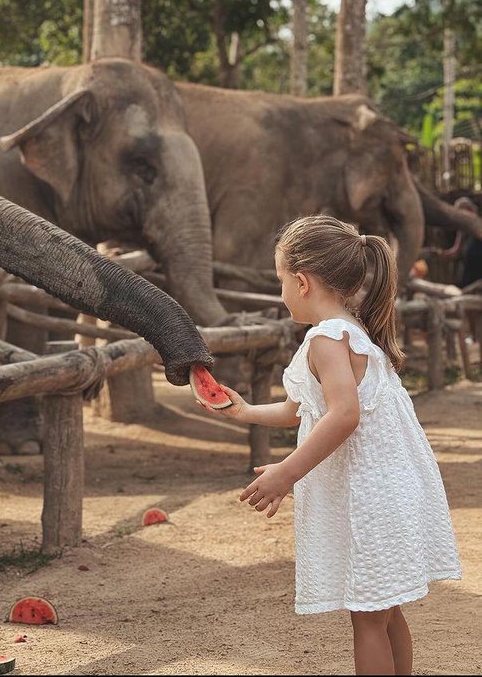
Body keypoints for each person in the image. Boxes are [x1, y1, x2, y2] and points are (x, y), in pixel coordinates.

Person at [195, 215, 462, 676]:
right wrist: (244, 411)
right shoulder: (352, 332)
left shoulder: (326, 339)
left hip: (370, 503)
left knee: (368, 623)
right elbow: (303, 409)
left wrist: (286, 472)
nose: (280, 292)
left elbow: (344, 414)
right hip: (391, 495)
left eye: (280, 280)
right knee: (386, 612)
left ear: (301, 282)